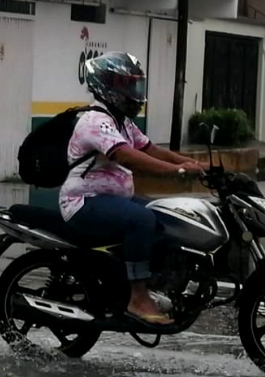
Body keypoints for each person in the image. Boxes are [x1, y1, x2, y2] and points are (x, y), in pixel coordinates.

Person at [59, 51, 206, 325]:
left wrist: (193, 163)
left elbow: (151, 149)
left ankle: (152, 283)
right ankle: (137, 298)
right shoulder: (95, 121)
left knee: (166, 216)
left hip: (111, 200)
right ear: (107, 87)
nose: (134, 92)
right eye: (127, 85)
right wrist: (176, 172)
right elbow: (127, 156)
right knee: (141, 220)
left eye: (136, 84)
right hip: (84, 202)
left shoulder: (122, 122)